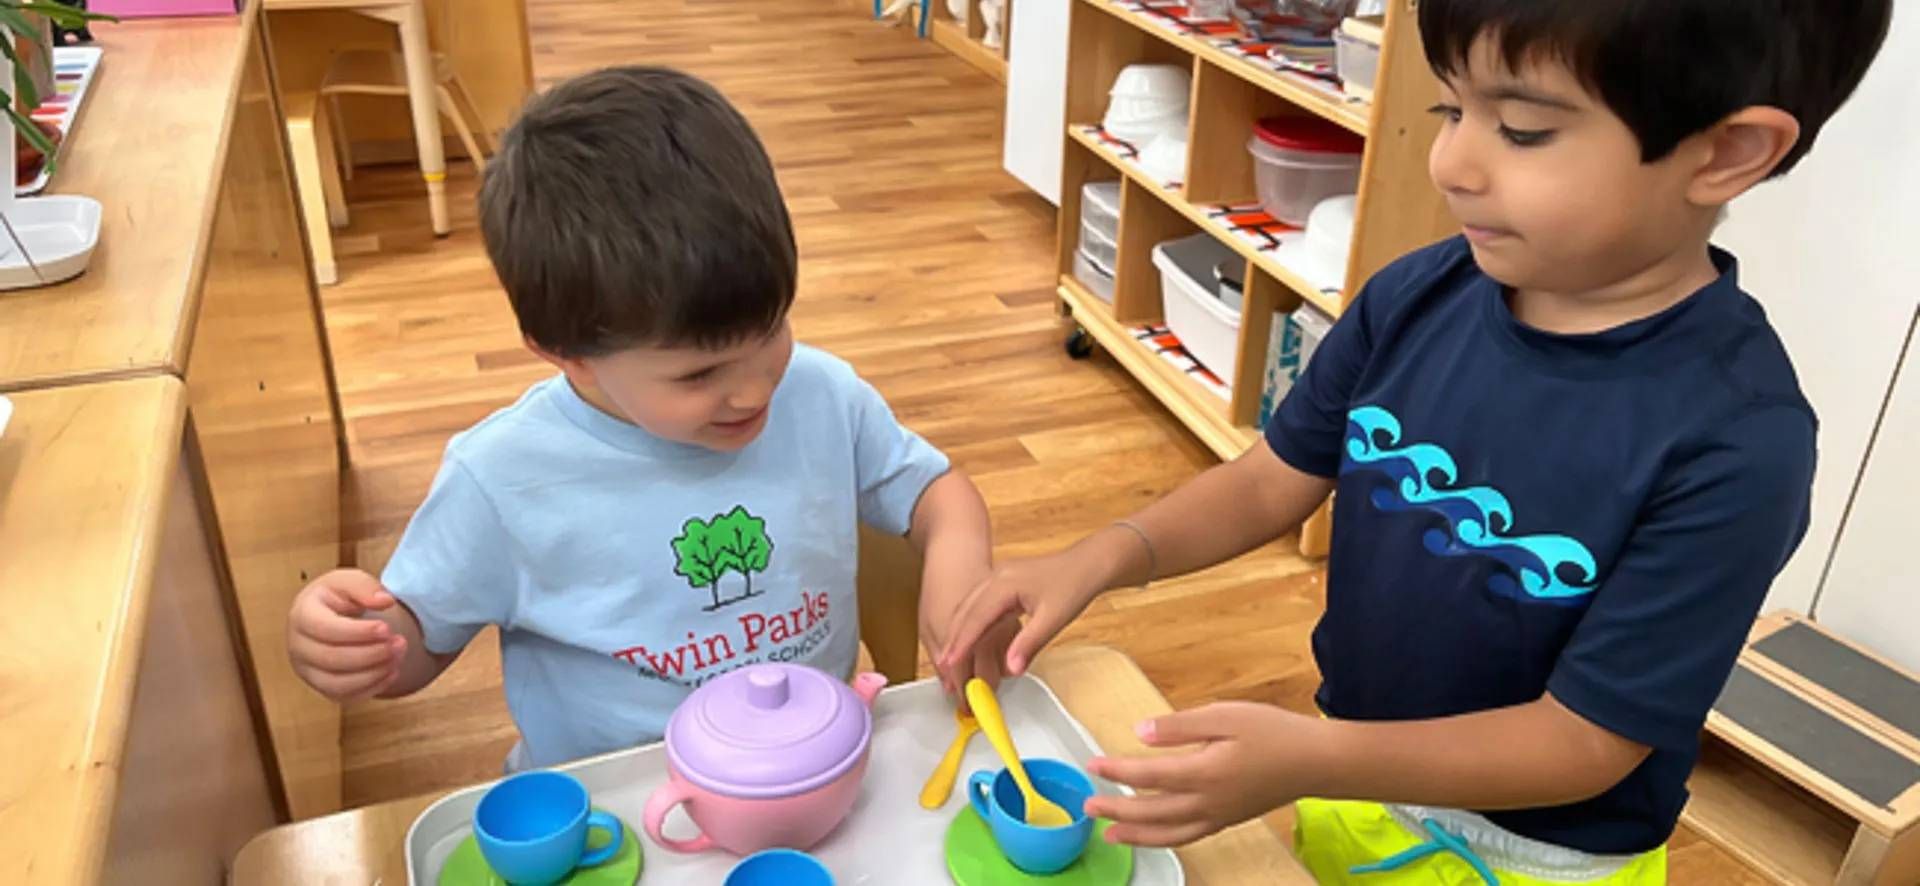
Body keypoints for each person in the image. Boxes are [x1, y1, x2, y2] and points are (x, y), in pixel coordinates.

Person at [936, 0, 1893, 881]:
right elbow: (1276, 476)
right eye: (1450, 110)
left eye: (1522, 129)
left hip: (1534, 857)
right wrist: (1106, 555)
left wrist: (1310, 757)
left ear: (1726, 153)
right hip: (1349, 779)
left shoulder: (1738, 443)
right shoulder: (1418, 294)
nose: (1452, 164)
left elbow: (1585, 740)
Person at [283, 66, 1018, 771]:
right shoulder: (502, 478)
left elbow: (936, 494)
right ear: (566, 354)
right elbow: (422, 644)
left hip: (811, 767)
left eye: (772, 332)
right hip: (625, 806)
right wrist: (366, 645)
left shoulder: (821, 392)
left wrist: (958, 564)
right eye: (699, 374)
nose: (755, 388)